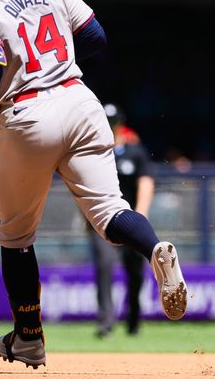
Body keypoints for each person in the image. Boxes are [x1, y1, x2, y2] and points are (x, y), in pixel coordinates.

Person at [0, 0, 187, 369]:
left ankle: (30, 339)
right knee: (111, 211)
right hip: (80, 101)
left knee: (16, 237)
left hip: (25, 113)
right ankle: (154, 248)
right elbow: (95, 38)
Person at [87, 104, 154, 338]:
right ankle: (105, 322)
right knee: (104, 267)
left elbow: (145, 183)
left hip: (130, 222)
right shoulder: (94, 150)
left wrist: (140, 217)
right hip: (102, 222)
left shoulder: (134, 151)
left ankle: (134, 320)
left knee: (135, 272)